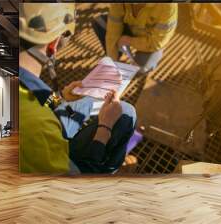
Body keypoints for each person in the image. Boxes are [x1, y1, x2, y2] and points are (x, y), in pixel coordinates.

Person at [19, 3, 137, 174]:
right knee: (127, 113)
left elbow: (41, 102)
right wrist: (105, 128)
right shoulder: (39, 129)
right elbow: (76, 182)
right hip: (61, 162)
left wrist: (62, 98)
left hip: (47, 125)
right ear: (54, 43)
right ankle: (111, 169)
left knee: (91, 99)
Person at [92, 3, 178, 74]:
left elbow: (156, 43)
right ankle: (117, 57)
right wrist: (112, 62)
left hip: (150, 39)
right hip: (130, 27)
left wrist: (129, 40)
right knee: (100, 23)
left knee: (142, 67)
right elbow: (112, 32)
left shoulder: (168, 6)